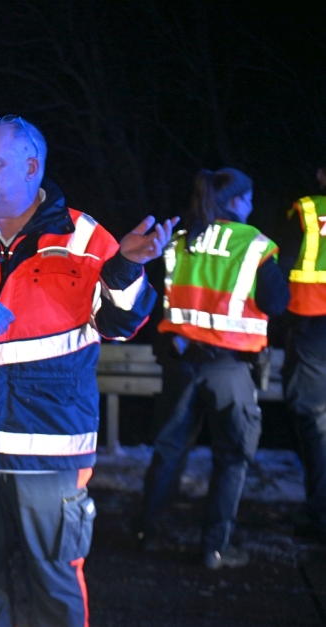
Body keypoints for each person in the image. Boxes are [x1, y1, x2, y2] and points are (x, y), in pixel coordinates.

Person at [0, 115, 175, 627]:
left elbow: (123, 321)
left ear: (31, 167)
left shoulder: (84, 238)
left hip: (51, 454)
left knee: (56, 588)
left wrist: (128, 267)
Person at [139, 168, 291, 569]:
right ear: (237, 202)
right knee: (231, 457)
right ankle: (214, 549)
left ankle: (147, 533)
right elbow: (276, 303)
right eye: (250, 197)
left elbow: (161, 295)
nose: (253, 205)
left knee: (169, 450)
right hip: (230, 369)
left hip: (181, 362)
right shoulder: (254, 245)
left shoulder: (182, 241)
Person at [280, 164, 326, 544]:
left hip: (313, 324)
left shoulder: (308, 210)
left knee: (312, 418)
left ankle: (319, 512)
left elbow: (284, 266)